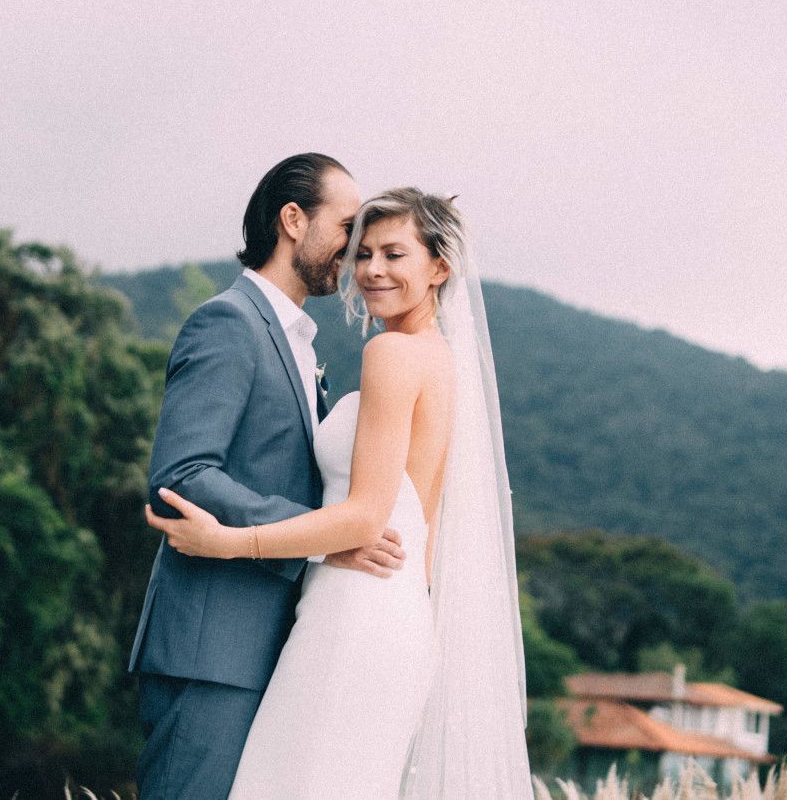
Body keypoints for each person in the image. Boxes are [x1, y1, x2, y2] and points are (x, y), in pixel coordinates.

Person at [148, 188, 533, 798]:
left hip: (355, 614)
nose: (373, 269)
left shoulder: (392, 354)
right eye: (366, 252)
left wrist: (227, 541)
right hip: (393, 613)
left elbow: (362, 518)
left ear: (439, 268)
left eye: (395, 254)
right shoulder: (442, 360)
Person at [127, 153, 407, 800]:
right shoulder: (228, 322)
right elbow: (183, 473)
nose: (358, 246)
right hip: (210, 652)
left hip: (272, 651)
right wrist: (319, 535)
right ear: (292, 219)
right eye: (347, 226)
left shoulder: (306, 348)